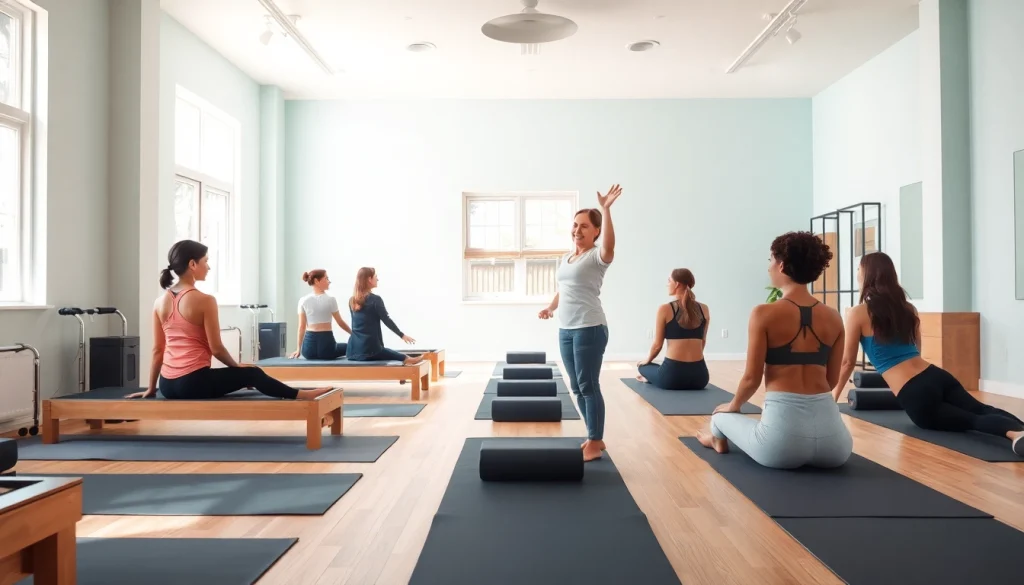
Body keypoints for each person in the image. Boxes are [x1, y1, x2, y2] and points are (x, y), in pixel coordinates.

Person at [832, 252, 1024, 455]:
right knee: (981, 409)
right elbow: (918, 349)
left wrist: (833, 398)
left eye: (859, 270)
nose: (857, 274)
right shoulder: (909, 309)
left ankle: (1014, 435)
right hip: (936, 375)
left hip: (914, 393)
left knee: (972, 420)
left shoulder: (857, 313)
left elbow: (847, 362)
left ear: (868, 274)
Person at [695, 231, 853, 469]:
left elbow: (751, 379)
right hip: (837, 447)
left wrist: (733, 406)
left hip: (781, 446)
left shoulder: (763, 313)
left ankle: (717, 439)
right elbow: (831, 380)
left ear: (781, 265)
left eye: (770, 260)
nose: (768, 267)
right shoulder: (834, 317)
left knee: (720, 416)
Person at [127, 240, 333, 401]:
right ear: (192, 264)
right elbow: (216, 349)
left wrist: (152, 388)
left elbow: (157, 350)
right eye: (205, 261)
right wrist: (237, 368)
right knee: (252, 373)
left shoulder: (158, 302)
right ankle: (302, 395)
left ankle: (295, 391)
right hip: (193, 383)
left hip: (167, 385)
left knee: (244, 371)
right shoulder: (204, 300)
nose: (208, 267)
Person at [539, 184, 621, 462]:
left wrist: (606, 209)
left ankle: (595, 441)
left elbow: (610, 245)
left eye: (584, 226)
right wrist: (551, 308)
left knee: (588, 385)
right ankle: (593, 436)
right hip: (566, 329)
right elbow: (565, 288)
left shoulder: (597, 257)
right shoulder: (567, 257)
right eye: (575, 225)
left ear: (595, 231)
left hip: (590, 328)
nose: (577, 230)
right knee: (576, 386)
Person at [635, 268, 711, 390]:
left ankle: (650, 378)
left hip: (672, 378)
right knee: (655, 367)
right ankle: (654, 377)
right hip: (700, 378)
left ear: (677, 284)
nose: (667, 284)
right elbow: (702, 341)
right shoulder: (704, 309)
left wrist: (647, 360)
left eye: (669, 281)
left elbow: (657, 345)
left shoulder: (665, 309)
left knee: (642, 367)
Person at [345, 267, 424, 365]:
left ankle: (406, 359)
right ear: (369, 279)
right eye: (376, 277)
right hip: (370, 351)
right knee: (395, 355)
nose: (377, 279)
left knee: (387, 352)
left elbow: (354, 326)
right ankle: (407, 359)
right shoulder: (375, 299)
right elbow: (386, 320)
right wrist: (402, 335)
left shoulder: (352, 300)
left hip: (352, 351)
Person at [289, 269, 353, 360]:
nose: (329, 281)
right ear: (316, 281)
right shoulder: (331, 299)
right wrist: (353, 334)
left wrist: (298, 349)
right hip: (327, 349)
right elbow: (340, 322)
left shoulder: (303, 300)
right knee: (350, 347)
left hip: (308, 351)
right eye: (326, 278)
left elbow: (301, 327)